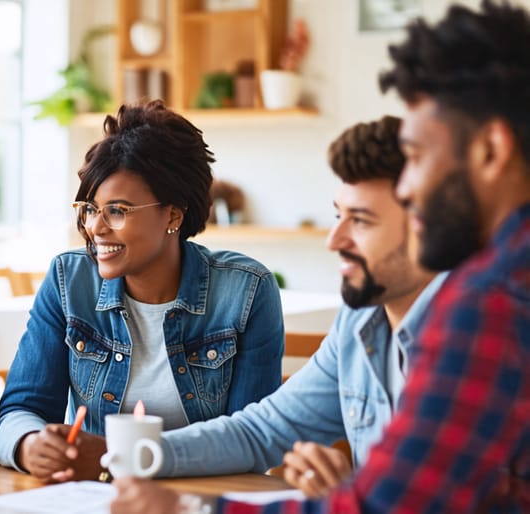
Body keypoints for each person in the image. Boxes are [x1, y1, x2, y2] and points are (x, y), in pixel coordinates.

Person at [115, 1, 530, 512]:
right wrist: (134, 454)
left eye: (419, 158)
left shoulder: (490, 302)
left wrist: (186, 509)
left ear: (491, 150)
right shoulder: (373, 321)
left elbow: (387, 504)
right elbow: (268, 430)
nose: (412, 185)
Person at [110, 115, 442, 511]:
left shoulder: (473, 340)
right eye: (339, 216)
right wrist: (138, 455)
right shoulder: (360, 322)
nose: (334, 241)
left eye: (362, 221)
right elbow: (260, 431)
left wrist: (188, 508)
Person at [0, 100, 284, 482]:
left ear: (173, 215)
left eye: (117, 210)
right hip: (90, 500)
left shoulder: (246, 292)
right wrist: (29, 444)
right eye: (90, 209)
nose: (96, 227)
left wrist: (121, 460)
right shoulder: (69, 281)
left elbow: (252, 442)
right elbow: (19, 408)